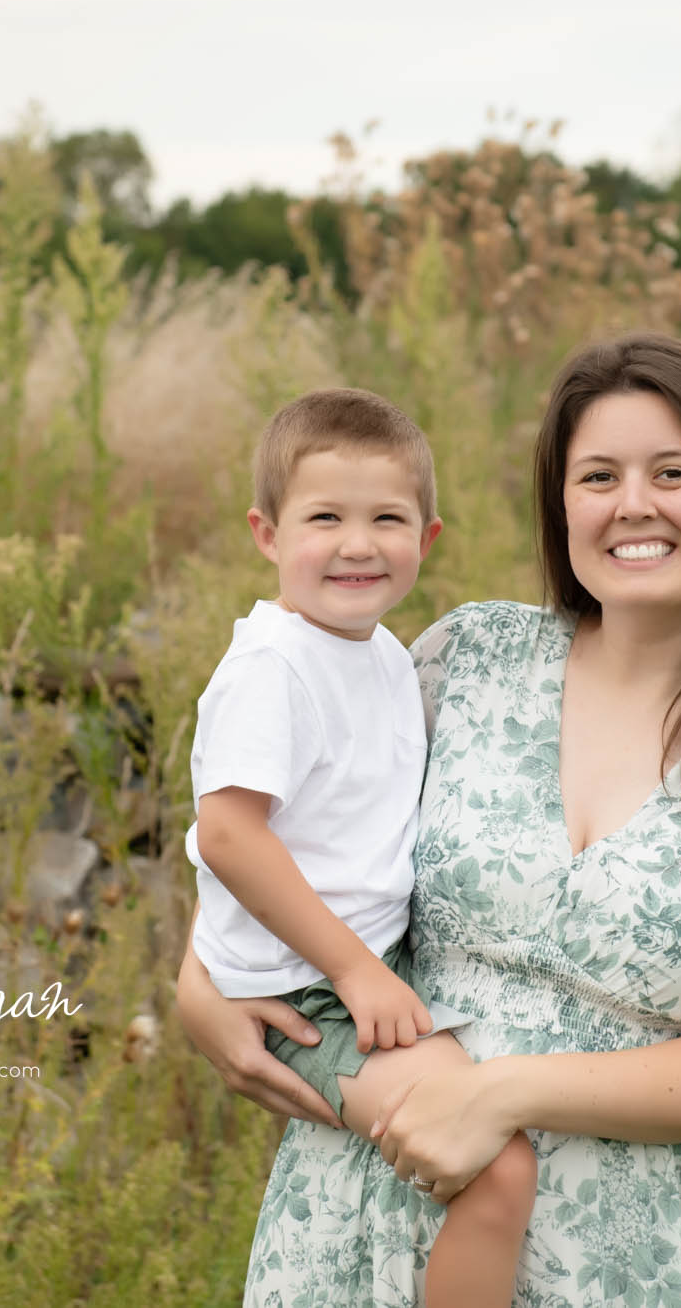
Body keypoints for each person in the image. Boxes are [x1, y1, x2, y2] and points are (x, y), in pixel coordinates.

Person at [178, 336, 681, 1306]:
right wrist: (200, 981)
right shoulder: (466, 660)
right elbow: (297, 828)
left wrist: (502, 1093)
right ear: (560, 502)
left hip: (619, 1253)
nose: (633, 504)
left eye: (673, 473)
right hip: (362, 1208)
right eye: (597, 476)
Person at [181, 387, 538, 1308]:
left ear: (428, 537)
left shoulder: (380, 652)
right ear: (266, 533)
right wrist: (356, 971)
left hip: (356, 966)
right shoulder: (273, 668)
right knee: (495, 1164)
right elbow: (227, 834)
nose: (357, 543)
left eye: (387, 519)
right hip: (307, 991)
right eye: (325, 518)